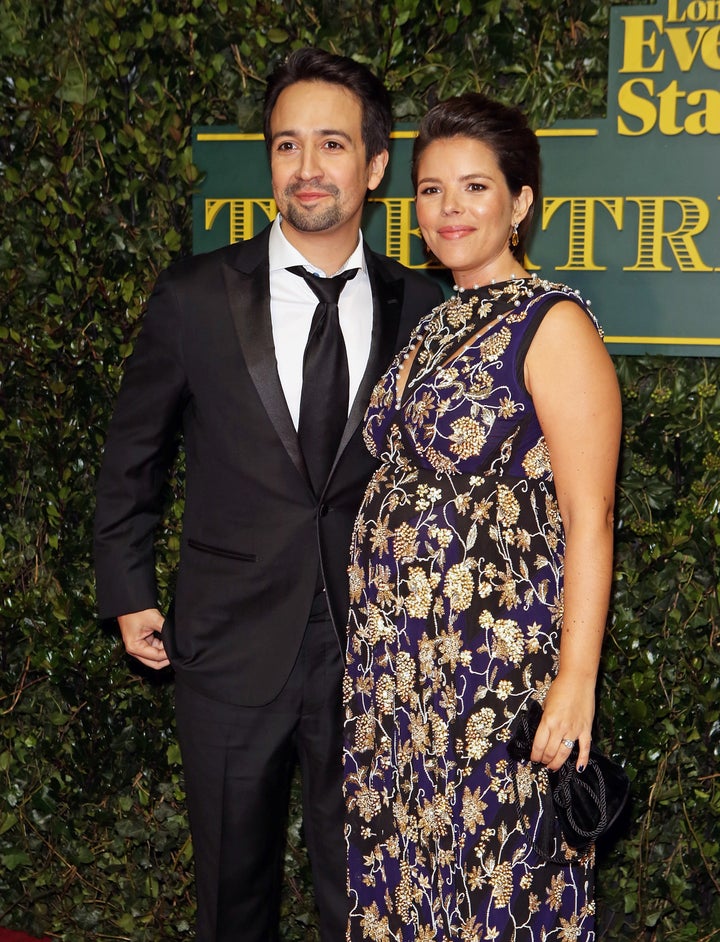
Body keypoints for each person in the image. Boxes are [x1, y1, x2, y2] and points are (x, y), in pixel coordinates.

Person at [93, 47, 442, 942]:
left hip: (374, 651)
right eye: (287, 146)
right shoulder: (196, 295)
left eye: (332, 144)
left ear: (373, 165)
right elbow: (133, 454)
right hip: (226, 641)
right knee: (231, 894)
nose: (307, 168)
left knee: (361, 895)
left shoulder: (423, 306)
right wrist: (127, 591)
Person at [343, 92, 622, 940]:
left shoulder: (555, 324)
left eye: (473, 188)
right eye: (431, 190)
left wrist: (575, 681)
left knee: (496, 881)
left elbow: (591, 513)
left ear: (521, 202)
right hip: (399, 676)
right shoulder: (437, 320)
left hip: (491, 678)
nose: (449, 210)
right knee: (410, 878)